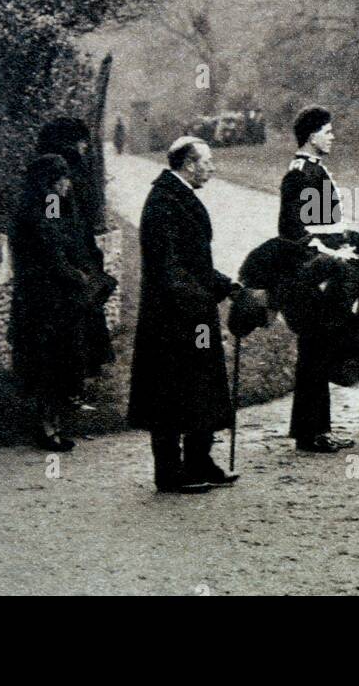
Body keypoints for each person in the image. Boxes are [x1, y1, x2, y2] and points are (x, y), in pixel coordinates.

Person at [128, 137, 259, 492]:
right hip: (171, 317)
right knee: (170, 392)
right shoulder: (162, 203)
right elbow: (169, 269)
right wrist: (203, 298)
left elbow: (196, 264)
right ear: (189, 164)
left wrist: (228, 287)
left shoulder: (178, 196)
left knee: (202, 385)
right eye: (208, 161)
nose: (213, 167)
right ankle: (170, 473)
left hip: (193, 312)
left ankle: (200, 461)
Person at [278, 105, 358, 454]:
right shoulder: (299, 173)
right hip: (314, 275)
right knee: (314, 349)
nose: (332, 136)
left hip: (327, 268)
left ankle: (317, 428)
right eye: (327, 131)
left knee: (320, 348)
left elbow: (329, 225)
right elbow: (292, 230)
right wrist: (327, 258)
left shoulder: (315, 170)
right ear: (311, 136)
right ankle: (309, 432)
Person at [10, 154, 100, 452]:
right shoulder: (42, 207)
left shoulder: (43, 204)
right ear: (51, 181)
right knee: (48, 363)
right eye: (62, 179)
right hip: (44, 301)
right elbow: (52, 251)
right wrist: (79, 276)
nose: (68, 184)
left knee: (54, 362)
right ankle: (48, 428)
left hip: (47, 298)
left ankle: (52, 425)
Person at [36, 118, 115, 383]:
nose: (85, 147)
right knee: (75, 320)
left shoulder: (55, 166)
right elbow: (54, 217)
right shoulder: (61, 170)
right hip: (71, 254)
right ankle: (75, 379)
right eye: (82, 142)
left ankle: (79, 375)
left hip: (75, 249)